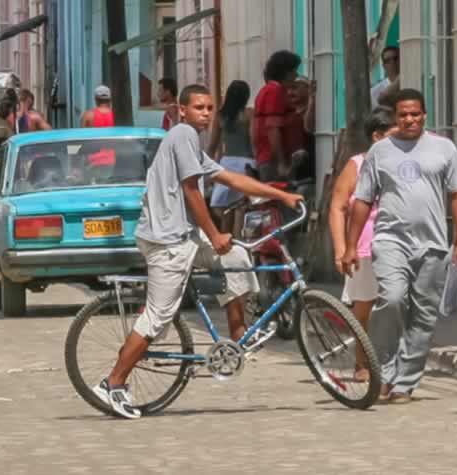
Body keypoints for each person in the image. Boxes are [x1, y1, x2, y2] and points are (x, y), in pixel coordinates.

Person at [90, 84, 304, 419]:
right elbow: (192, 190)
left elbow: (231, 178)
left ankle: (237, 338)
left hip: (183, 237)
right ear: (182, 110)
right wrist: (215, 233)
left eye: (209, 108)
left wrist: (280, 196)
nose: (205, 113)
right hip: (167, 242)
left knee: (234, 256)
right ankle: (113, 382)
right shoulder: (182, 135)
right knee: (158, 317)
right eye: (198, 107)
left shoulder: (190, 143)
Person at [350, 88, 457, 405]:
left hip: (432, 244)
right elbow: (362, 199)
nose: (409, 120)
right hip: (390, 240)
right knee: (390, 299)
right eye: (403, 114)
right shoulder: (380, 152)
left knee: (423, 315)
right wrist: (350, 245)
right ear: (395, 116)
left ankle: (405, 382)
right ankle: (385, 373)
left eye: (415, 114)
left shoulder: (444, 149)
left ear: (424, 115)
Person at [328, 107, 396, 380]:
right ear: (377, 136)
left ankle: (393, 364)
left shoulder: (403, 164)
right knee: (364, 306)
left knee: (395, 304)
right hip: (364, 246)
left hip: (397, 242)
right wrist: (341, 248)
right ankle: (361, 363)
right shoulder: (356, 165)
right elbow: (337, 207)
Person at [207, 80, 256, 219]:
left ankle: (226, 235)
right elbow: (253, 140)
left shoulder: (220, 116)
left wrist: (207, 169)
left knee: (221, 205)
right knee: (240, 205)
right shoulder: (249, 114)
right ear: (246, 96)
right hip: (247, 162)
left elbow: (212, 146)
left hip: (226, 163)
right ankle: (238, 237)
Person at [253, 50, 306, 180]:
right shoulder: (275, 91)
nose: (296, 75)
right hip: (273, 161)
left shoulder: (266, 90)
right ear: (286, 73)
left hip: (267, 158)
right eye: (294, 71)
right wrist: (281, 163)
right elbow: (272, 128)